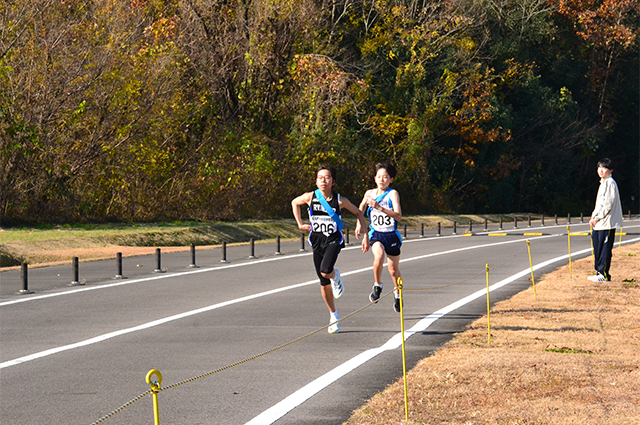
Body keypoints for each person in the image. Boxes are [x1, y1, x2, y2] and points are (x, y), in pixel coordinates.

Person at [292, 165, 367, 333]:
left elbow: (359, 213)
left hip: (333, 239)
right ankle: (334, 316)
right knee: (323, 282)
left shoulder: (340, 200)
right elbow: (294, 202)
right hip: (316, 240)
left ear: (333, 181)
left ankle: (336, 275)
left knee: (326, 270)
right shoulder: (310, 197)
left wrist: (366, 235)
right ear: (316, 181)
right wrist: (300, 224)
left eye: (327, 178)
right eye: (320, 178)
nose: (323, 181)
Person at [355, 163, 403, 312]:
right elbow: (361, 208)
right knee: (379, 256)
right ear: (375, 178)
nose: (381, 179)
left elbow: (399, 216)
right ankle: (377, 285)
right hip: (376, 234)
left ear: (391, 179)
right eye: (379, 176)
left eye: (385, 177)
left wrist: (380, 208)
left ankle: (397, 294)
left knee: (393, 270)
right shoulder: (369, 193)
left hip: (391, 235)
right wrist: (359, 223)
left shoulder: (392, 194)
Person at [588, 158, 623, 282]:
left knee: (604, 249)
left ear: (611, 170)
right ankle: (598, 272)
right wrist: (593, 217)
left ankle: (603, 274)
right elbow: (599, 204)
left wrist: (597, 218)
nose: (601, 170)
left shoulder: (610, 183)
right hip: (599, 223)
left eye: (604, 168)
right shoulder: (603, 183)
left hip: (607, 223)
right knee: (597, 247)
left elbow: (608, 205)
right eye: (599, 167)